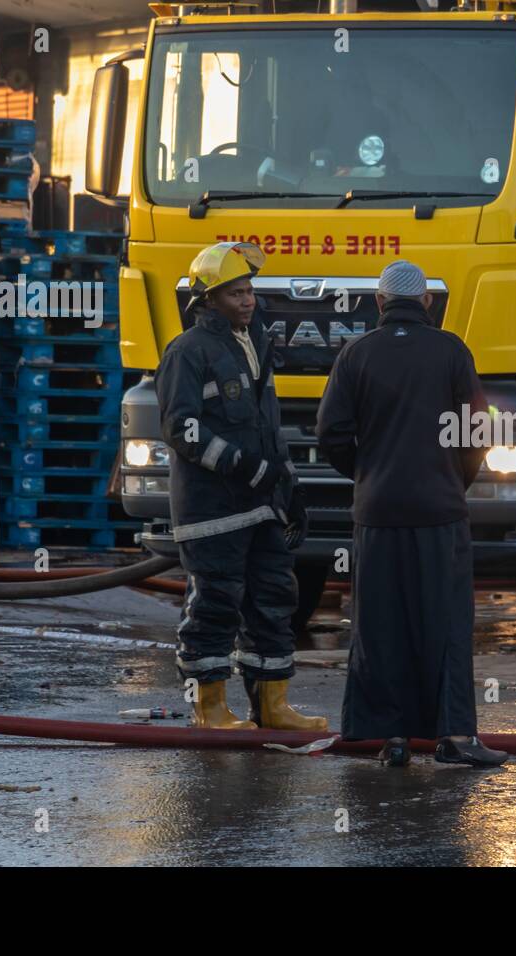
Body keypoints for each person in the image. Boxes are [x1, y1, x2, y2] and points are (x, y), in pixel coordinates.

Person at [315, 260, 508, 768]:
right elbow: (476, 431)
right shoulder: (450, 351)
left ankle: (391, 739)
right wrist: (452, 479)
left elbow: (330, 432)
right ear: (426, 302)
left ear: (378, 303)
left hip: (377, 513)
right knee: (444, 624)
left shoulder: (356, 354)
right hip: (439, 510)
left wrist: (369, 474)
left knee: (380, 626)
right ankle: (455, 737)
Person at [156, 241, 327, 732]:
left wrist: (288, 487)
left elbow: (267, 427)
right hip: (213, 512)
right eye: (235, 293)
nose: (247, 300)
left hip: (262, 509)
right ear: (208, 299)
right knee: (215, 604)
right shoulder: (187, 352)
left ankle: (272, 707)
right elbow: (181, 429)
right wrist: (243, 467)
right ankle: (209, 709)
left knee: (275, 601)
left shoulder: (253, 345)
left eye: (249, 290)